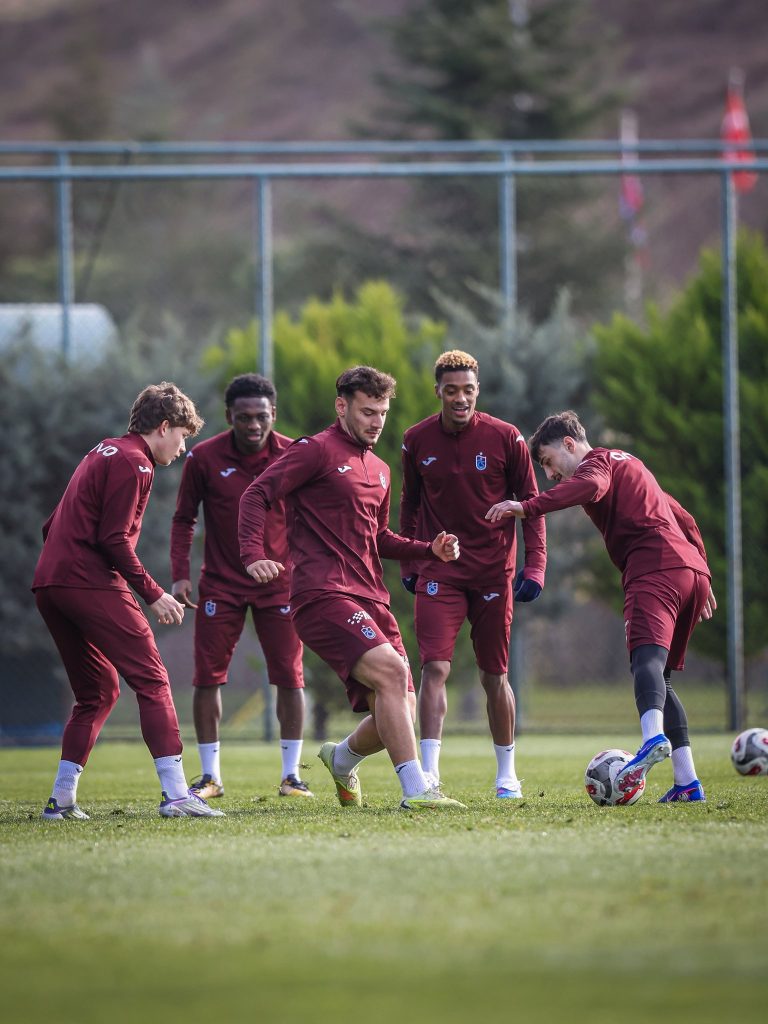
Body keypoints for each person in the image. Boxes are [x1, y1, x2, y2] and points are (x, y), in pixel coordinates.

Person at [239, 365, 466, 810]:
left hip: (370, 596)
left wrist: (429, 550)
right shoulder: (315, 451)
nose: (376, 421)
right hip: (321, 593)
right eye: (367, 412)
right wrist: (253, 555)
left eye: (382, 412)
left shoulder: (380, 469)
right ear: (342, 407)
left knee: (399, 701)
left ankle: (341, 758)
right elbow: (255, 495)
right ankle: (416, 790)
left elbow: (377, 538)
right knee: (394, 675)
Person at [485, 410, 717, 803]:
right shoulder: (630, 461)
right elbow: (684, 517)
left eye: (548, 461)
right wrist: (702, 571)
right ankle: (687, 783)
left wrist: (527, 507)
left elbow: (590, 486)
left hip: (654, 568)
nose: (550, 474)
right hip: (689, 572)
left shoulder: (596, 464)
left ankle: (652, 739)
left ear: (570, 445)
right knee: (662, 678)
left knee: (643, 663)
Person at [33, 382, 224, 820]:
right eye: (181, 436)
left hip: (49, 582)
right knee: (153, 680)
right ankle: (177, 795)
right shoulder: (137, 463)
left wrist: (63, 573)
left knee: (98, 692)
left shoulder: (102, 450)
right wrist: (154, 593)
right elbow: (113, 539)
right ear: (163, 427)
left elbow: (51, 526)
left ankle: (61, 801)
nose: (181, 447)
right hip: (88, 581)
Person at [400, 350, 546, 798]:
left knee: (493, 676)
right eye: (451, 390)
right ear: (438, 392)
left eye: (467, 390)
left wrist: (535, 566)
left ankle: (507, 775)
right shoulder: (416, 439)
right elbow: (410, 505)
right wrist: (411, 560)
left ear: (477, 391)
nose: (459, 398)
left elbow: (532, 506)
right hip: (440, 572)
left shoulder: (507, 438)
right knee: (434, 668)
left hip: (491, 575)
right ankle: (429, 775)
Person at [171, 373, 311, 800]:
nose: (254, 425)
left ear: (274, 415)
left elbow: (314, 514)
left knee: (290, 677)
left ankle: (292, 777)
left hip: (281, 585)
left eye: (262, 417)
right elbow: (184, 519)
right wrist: (180, 574)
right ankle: (210, 776)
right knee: (207, 678)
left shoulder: (294, 455)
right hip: (222, 584)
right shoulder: (204, 458)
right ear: (230, 415)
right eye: (244, 417)